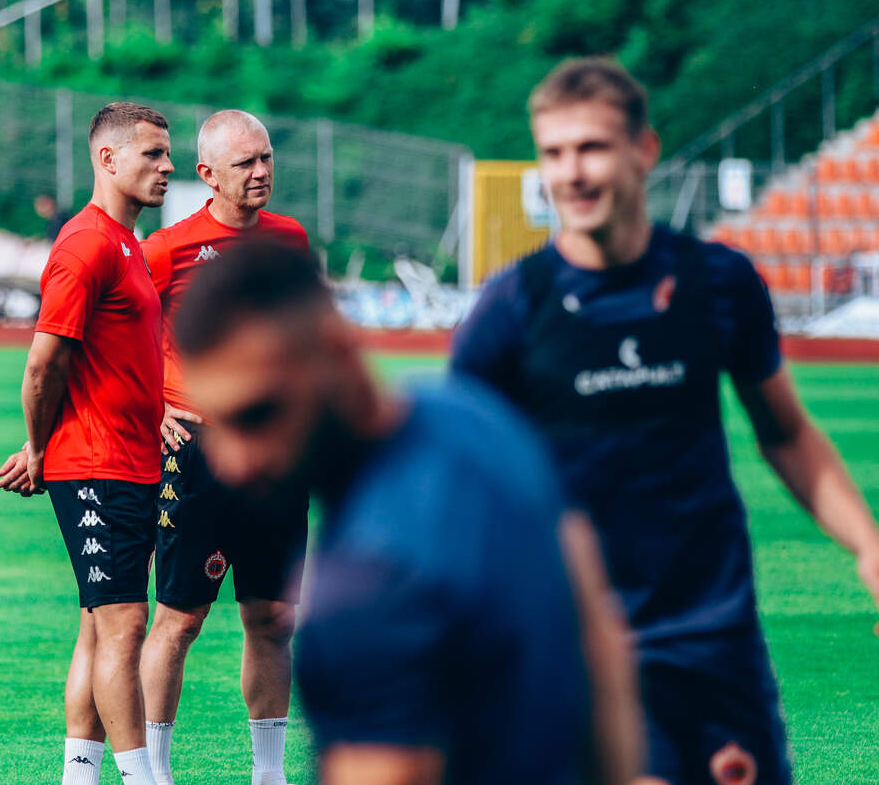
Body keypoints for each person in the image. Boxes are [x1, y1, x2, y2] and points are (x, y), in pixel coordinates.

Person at [451, 57, 879, 785]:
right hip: (587, 649)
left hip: (719, 645)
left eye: (591, 147)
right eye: (554, 153)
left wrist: (868, 546)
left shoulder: (720, 283)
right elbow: (451, 474)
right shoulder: (510, 309)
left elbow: (785, 433)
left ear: (644, 150)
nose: (571, 173)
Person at [173, 241, 646, 785]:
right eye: (219, 424)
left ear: (338, 351)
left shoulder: (365, 588)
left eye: (257, 415)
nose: (231, 464)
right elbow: (598, 634)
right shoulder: (472, 417)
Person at [0, 102, 174, 785]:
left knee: (100, 627)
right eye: (153, 153)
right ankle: (142, 777)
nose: (167, 166)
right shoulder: (86, 245)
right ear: (108, 158)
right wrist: (39, 449)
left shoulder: (126, 243)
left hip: (128, 460)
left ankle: (80, 775)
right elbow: (44, 363)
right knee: (124, 624)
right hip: (97, 465)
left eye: (167, 153)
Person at [137, 110, 310, 785]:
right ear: (208, 174)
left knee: (274, 615)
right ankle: (152, 774)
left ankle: (269, 774)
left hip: (277, 448)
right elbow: (116, 339)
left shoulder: (290, 239)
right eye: (246, 163)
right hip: (199, 449)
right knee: (180, 619)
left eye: (266, 157)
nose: (261, 171)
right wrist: (153, 406)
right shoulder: (167, 249)